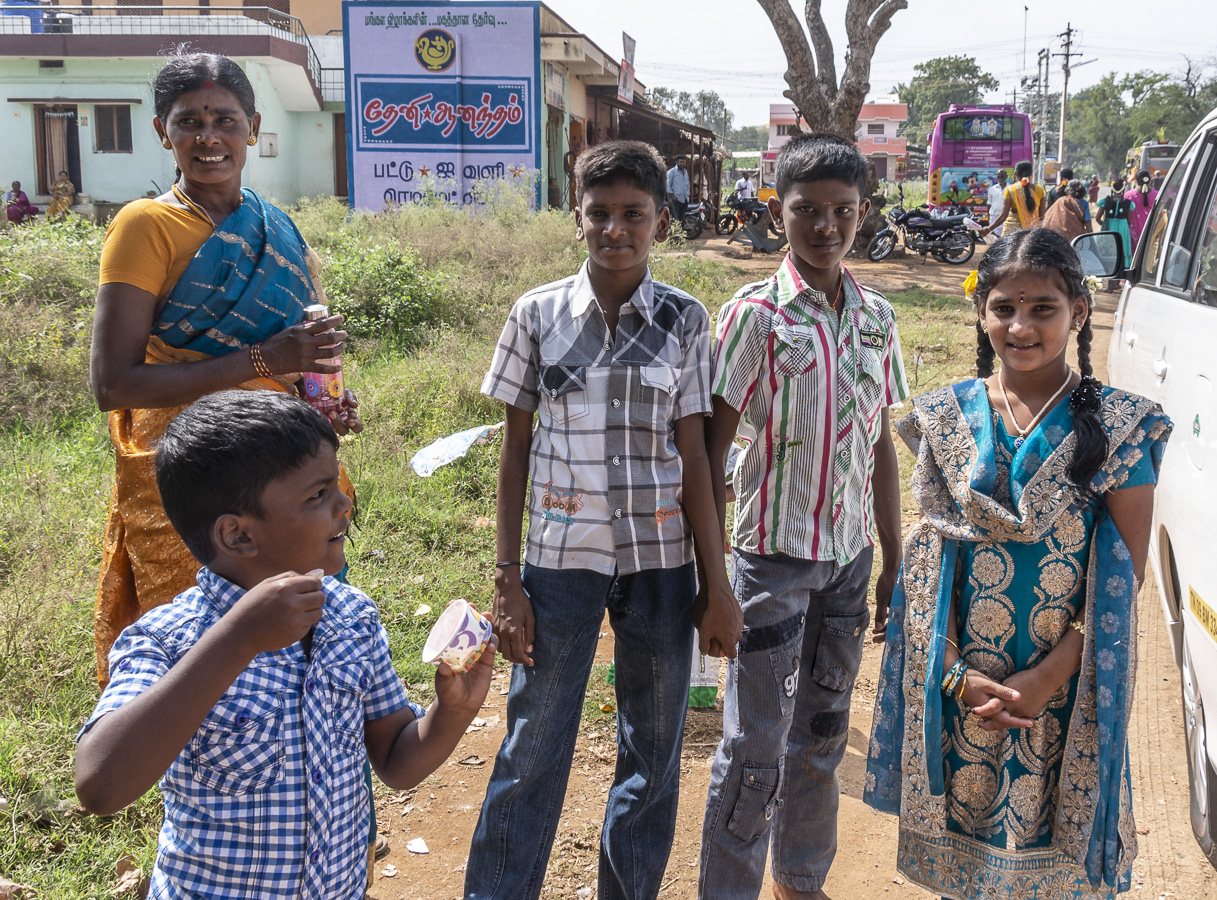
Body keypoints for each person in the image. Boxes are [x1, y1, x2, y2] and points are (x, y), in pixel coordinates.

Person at [75, 390, 497, 899]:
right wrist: (237, 638)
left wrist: (450, 713)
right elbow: (100, 784)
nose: (345, 503)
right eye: (317, 494)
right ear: (238, 537)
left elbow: (395, 760)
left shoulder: (352, 617)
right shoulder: (168, 641)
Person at [465, 140, 740, 900]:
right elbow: (514, 450)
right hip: (559, 563)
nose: (615, 230)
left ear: (660, 221)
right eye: (599, 214)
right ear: (576, 217)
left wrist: (715, 586)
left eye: (633, 215)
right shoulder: (537, 314)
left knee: (652, 755)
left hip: (659, 562)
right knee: (533, 746)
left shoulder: (685, 320)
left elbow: (694, 456)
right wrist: (506, 579)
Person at [866, 228, 1171, 899]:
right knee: (966, 865)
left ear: (1078, 313)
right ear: (981, 313)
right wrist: (952, 676)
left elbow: (1122, 583)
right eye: (1003, 307)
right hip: (963, 688)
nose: (1020, 326)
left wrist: (1044, 677)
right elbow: (929, 569)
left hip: (1062, 693)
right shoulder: (944, 418)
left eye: (1042, 309)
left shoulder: (1121, 428)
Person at [88, 52, 361, 684]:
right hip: (191, 467)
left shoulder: (277, 228)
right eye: (189, 121)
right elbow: (114, 382)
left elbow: (295, 360)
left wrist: (318, 402)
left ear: (252, 127)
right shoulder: (145, 225)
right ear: (164, 132)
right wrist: (265, 360)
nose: (209, 137)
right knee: (199, 648)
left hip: (281, 466)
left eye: (224, 119)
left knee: (296, 633)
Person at [699, 132, 908, 900]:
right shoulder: (753, 315)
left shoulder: (877, 317)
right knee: (753, 748)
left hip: (848, 566)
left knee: (820, 738)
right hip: (770, 565)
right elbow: (713, 452)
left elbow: (880, 442)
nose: (826, 227)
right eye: (806, 211)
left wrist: (888, 554)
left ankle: (800, 882)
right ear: (776, 212)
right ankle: (727, 888)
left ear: (862, 213)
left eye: (842, 211)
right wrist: (714, 580)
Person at [981, 159, 1044, 237]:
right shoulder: (1040, 190)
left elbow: (1003, 216)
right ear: (1031, 173)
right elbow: (1041, 217)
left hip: (1011, 230)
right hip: (1032, 231)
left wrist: (989, 229)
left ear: (1016, 175)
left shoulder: (1010, 189)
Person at [1097, 177, 1135, 267]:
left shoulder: (1105, 201)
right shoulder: (1129, 204)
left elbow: (1097, 218)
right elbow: (1129, 222)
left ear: (1112, 188)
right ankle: (1121, 267)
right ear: (1123, 188)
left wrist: (1105, 224)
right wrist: (1124, 227)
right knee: (1122, 250)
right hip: (1123, 229)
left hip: (1108, 228)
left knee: (1107, 251)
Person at [1125, 168, 1158, 252]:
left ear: (1135, 180)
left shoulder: (1128, 196)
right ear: (1150, 180)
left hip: (1133, 240)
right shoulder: (1157, 195)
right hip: (1152, 238)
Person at [667, 152, 690, 223]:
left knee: (682, 219)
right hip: (676, 199)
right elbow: (667, 185)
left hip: (685, 199)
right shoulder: (671, 172)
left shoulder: (686, 172)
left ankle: (681, 233)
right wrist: (673, 197)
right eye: (680, 162)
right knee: (675, 219)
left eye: (684, 162)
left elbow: (687, 184)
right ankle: (675, 234)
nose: (682, 163)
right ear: (676, 162)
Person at [985, 169, 1009, 235]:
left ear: (1006, 177)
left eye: (1002, 176)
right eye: (998, 176)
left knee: (1005, 238)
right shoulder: (991, 189)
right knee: (993, 238)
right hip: (993, 218)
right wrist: (988, 218)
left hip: (1006, 219)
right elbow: (989, 204)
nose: (1000, 178)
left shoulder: (1011, 188)